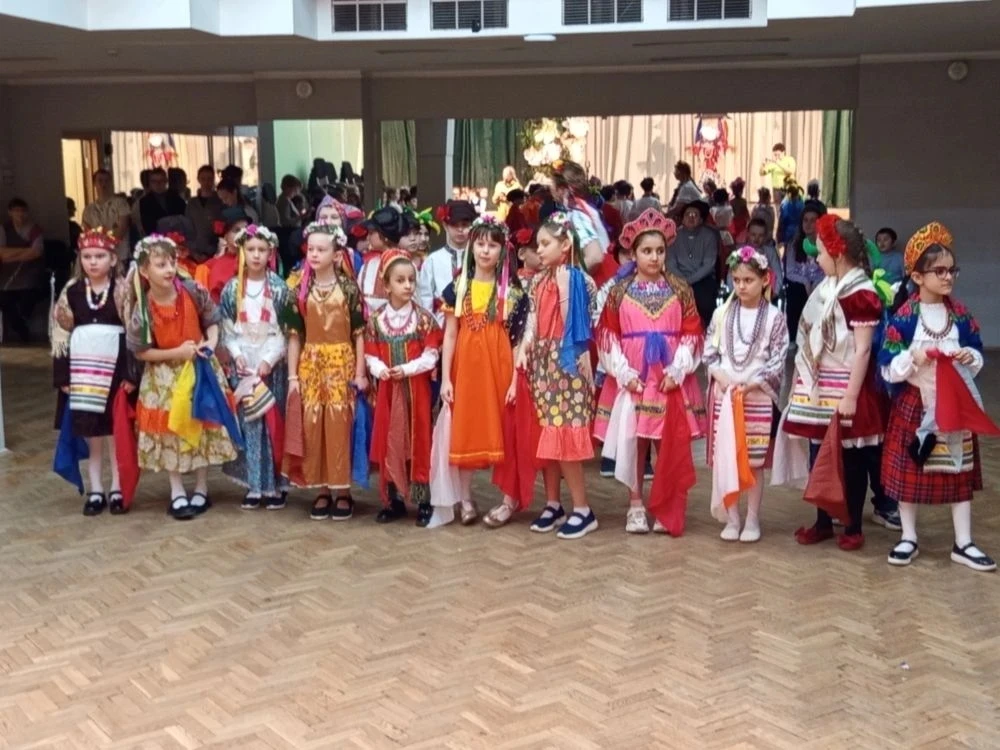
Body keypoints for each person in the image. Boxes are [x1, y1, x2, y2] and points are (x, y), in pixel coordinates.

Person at [879, 223, 995, 571]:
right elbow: (887, 368)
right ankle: (908, 536)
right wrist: (912, 358)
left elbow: (976, 350)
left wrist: (968, 357)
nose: (948, 277)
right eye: (939, 271)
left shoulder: (960, 315)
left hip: (953, 402)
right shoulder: (904, 318)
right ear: (917, 276)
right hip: (915, 403)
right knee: (910, 469)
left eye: (951, 270)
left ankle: (964, 541)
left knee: (959, 470)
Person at [775, 215, 884, 551]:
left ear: (838, 253)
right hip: (819, 386)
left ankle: (852, 524)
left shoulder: (860, 293)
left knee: (850, 459)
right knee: (819, 455)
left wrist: (851, 396)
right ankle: (823, 520)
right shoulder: (826, 288)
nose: (816, 258)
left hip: (847, 385)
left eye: (821, 252)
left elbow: (863, 349)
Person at [594, 209, 705, 535]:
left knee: (667, 442)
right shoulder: (619, 291)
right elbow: (608, 335)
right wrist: (623, 373)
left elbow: (692, 332)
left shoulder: (680, 288)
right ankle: (635, 505)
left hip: (668, 377)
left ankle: (667, 504)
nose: (654, 257)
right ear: (633, 254)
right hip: (635, 377)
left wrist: (678, 370)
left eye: (659, 251)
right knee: (635, 441)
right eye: (646, 251)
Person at [126, 235, 238, 520]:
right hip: (164, 376)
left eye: (172, 262)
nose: (169, 269)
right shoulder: (142, 308)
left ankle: (201, 487)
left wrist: (210, 343)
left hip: (198, 368)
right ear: (144, 271)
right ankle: (176, 489)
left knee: (202, 425)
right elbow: (141, 352)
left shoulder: (192, 290)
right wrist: (175, 352)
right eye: (160, 264)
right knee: (170, 432)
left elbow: (212, 320)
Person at [433, 216, 528, 526]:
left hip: (500, 368)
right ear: (472, 247)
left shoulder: (512, 292)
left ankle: (509, 499)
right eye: (481, 244)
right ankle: (465, 498)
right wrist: (446, 379)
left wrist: (515, 381)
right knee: (466, 429)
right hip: (466, 371)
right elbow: (450, 334)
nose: (486, 251)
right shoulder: (458, 287)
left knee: (506, 429)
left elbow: (516, 341)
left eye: (493, 245)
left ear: (503, 251)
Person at [519, 212, 598, 539]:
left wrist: (565, 286)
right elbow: (532, 321)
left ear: (565, 245)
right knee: (548, 436)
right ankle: (553, 503)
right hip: (542, 364)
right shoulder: (536, 282)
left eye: (545, 243)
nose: (539, 250)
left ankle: (583, 508)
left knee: (565, 435)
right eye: (538, 244)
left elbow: (578, 324)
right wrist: (525, 346)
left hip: (570, 366)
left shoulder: (582, 281)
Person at [704, 246, 789, 542]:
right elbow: (709, 352)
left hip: (757, 397)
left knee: (753, 460)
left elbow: (778, 358)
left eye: (748, 280)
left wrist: (754, 384)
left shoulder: (775, 317)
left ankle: (752, 518)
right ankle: (732, 518)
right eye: (737, 280)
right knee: (726, 456)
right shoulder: (721, 313)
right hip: (726, 395)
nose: (741, 286)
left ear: (765, 279)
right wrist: (721, 377)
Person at [50, 227, 138, 515]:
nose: (93, 262)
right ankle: (96, 489)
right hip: (83, 373)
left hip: (114, 372)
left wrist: (130, 374)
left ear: (112, 259)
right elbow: (61, 335)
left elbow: (133, 333)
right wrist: (63, 377)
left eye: (100, 256)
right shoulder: (73, 291)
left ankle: (117, 487)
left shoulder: (123, 290)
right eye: (87, 256)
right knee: (92, 434)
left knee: (115, 431)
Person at [285, 222, 368, 521]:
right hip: (311, 364)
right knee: (313, 425)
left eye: (321, 249)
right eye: (311, 249)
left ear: (336, 254)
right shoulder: (299, 289)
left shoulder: (349, 288)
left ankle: (342, 490)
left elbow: (359, 333)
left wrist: (360, 373)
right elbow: (294, 336)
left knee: (339, 425)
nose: (314, 254)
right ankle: (321, 487)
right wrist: (293, 376)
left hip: (341, 363)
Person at [365, 250, 442, 527]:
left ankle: (423, 500)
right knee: (391, 439)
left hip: (416, 392)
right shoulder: (376, 320)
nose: (408, 285)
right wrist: (380, 370)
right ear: (386, 285)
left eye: (411, 280)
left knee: (419, 439)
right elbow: (370, 354)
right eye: (400, 280)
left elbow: (432, 355)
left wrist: (407, 369)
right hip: (388, 392)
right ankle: (394, 499)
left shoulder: (423, 318)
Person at [219, 224, 293, 511]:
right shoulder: (232, 289)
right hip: (244, 366)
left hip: (270, 366)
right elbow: (228, 329)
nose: (256, 255)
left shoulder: (279, 288)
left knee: (273, 425)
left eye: (262, 250)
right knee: (249, 424)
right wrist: (236, 354)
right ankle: (254, 485)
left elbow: (285, 332)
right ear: (242, 252)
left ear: (270, 253)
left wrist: (269, 360)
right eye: (251, 249)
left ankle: (275, 485)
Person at [418, 199, 476, 325]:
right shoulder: (432, 260)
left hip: (473, 323)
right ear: (445, 226)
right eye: (454, 225)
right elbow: (425, 298)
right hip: (440, 324)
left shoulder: (478, 258)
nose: (460, 229)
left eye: (465, 225)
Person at [668, 200, 721, 329]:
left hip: (702, 279)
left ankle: (706, 331)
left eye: (695, 215)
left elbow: (709, 264)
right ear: (682, 219)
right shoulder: (673, 236)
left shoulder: (709, 236)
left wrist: (689, 281)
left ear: (701, 219)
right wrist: (682, 280)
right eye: (688, 214)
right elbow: (670, 262)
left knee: (705, 303)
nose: (691, 217)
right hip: (678, 279)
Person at [0, 197, 45, 343]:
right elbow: (1, 254)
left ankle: (22, 326)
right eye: (16, 211)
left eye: (23, 211)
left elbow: (36, 252)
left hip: (29, 273)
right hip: (7, 276)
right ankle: (21, 329)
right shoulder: (3, 229)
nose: (20, 214)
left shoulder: (34, 230)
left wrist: (11, 254)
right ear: (10, 212)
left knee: (28, 298)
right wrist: (25, 251)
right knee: (4, 300)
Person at [356, 206, 413, 318]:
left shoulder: (406, 265)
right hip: (370, 326)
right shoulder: (368, 265)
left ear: (384, 236)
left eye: (371, 233)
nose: (368, 237)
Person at [783, 197, 826, 341]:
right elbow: (789, 271)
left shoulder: (824, 244)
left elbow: (828, 269)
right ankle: (794, 338)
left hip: (820, 283)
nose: (808, 224)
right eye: (805, 220)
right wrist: (806, 282)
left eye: (813, 220)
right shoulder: (794, 244)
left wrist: (816, 282)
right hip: (800, 284)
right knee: (795, 291)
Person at [82, 169, 131, 264]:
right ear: (94, 184)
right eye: (100, 181)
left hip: (120, 256)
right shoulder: (88, 210)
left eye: (107, 180)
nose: (104, 184)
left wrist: (103, 241)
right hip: (99, 258)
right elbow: (88, 234)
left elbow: (121, 230)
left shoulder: (121, 203)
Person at [185, 165, 224, 262]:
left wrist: (213, 251)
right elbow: (187, 228)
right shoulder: (192, 203)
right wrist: (193, 252)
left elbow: (223, 229)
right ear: (198, 179)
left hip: (215, 252)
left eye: (209, 179)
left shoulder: (220, 201)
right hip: (194, 252)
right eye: (203, 179)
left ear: (213, 179)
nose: (206, 182)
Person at [139, 168, 186, 236]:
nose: (158, 184)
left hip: (178, 235)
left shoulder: (176, 197)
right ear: (150, 183)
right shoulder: (144, 202)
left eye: (161, 181)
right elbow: (147, 225)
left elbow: (183, 218)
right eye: (154, 181)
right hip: (157, 237)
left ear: (166, 181)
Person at [729, 178, 750, 245]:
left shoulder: (731, 202)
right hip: (741, 222)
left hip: (733, 222)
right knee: (742, 238)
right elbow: (745, 212)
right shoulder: (743, 201)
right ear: (741, 191)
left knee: (734, 238)